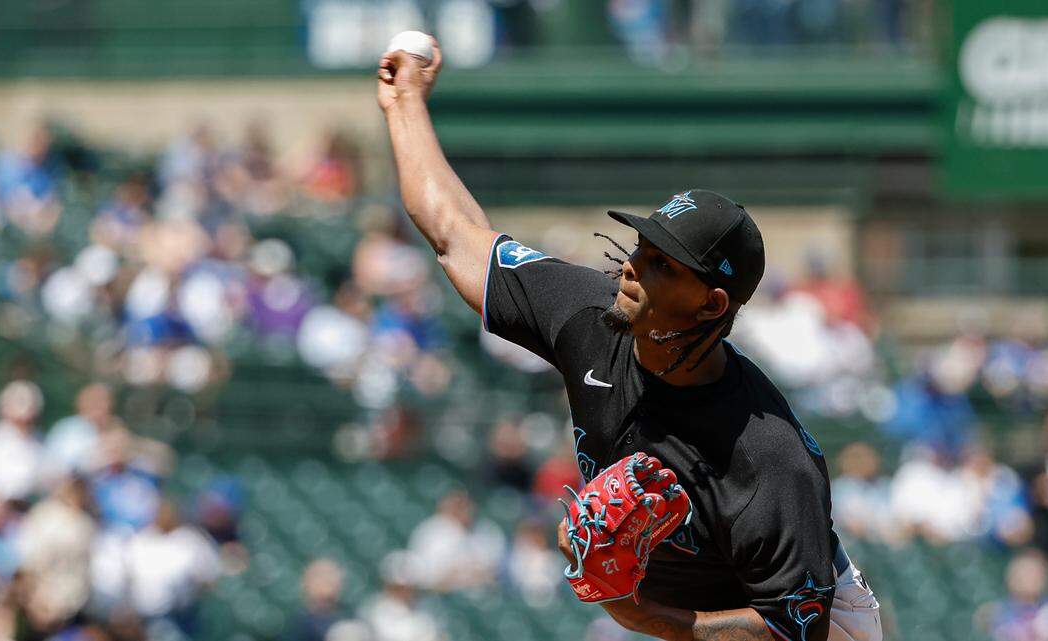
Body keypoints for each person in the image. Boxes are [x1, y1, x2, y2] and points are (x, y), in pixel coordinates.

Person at [376, 38, 881, 641]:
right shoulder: (586, 314)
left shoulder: (766, 453)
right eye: (642, 246)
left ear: (711, 304)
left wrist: (638, 615)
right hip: (686, 609)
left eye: (665, 264)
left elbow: (792, 626)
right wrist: (404, 103)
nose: (634, 267)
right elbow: (455, 234)